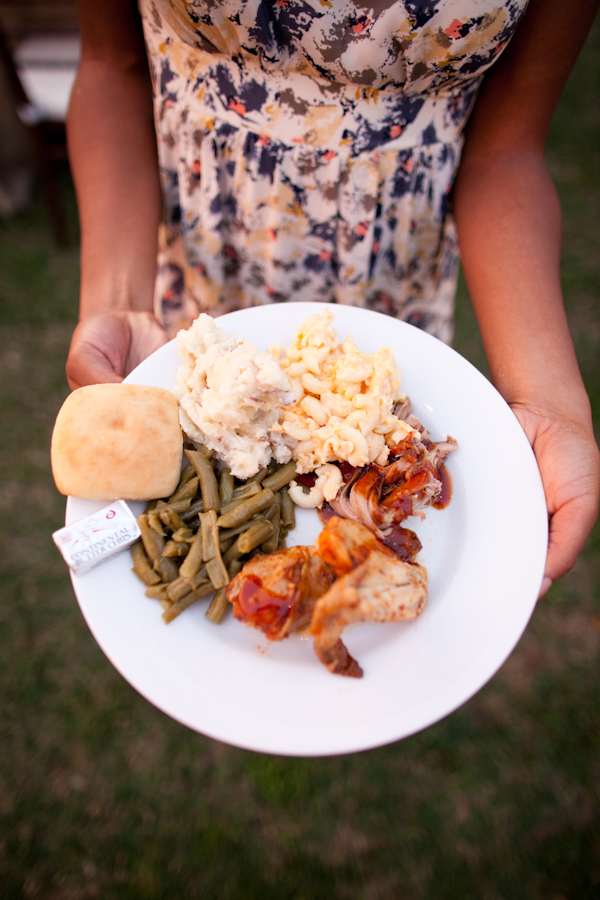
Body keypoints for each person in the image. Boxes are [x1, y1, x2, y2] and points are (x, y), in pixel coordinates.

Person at [65, 0, 600, 597]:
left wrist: (546, 396)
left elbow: (507, 149)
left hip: (392, 273)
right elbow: (112, 64)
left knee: (390, 456)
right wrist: (117, 299)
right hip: (206, 257)